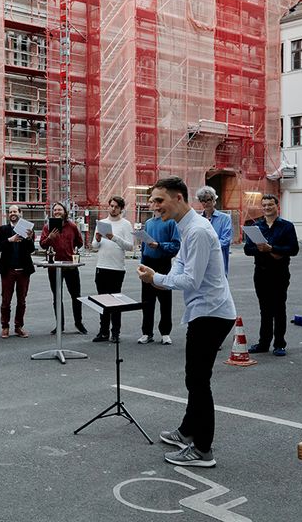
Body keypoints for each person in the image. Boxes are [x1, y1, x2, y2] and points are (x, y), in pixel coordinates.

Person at [138, 176, 236, 467]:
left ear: (178, 198)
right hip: (204, 311)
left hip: (212, 313)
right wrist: (161, 278)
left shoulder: (199, 231)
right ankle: (187, 431)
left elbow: (191, 278)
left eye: (159, 200)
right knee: (194, 378)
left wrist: (156, 279)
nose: (154, 206)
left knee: (198, 381)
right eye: (153, 200)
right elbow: (180, 263)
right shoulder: (188, 227)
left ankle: (203, 449)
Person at [243, 194, 299, 357]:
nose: (267, 208)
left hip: (279, 273)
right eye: (264, 205)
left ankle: (280, 344)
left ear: (277, 206)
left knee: (279, 308)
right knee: (264, 309)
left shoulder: (287, 226)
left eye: (270, 205)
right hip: (261, 272)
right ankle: (263, 342)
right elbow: (247, 249)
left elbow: (293, 249)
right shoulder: (257, 226)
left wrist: (272, 248)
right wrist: (261, 249)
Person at [91, 196, 134, 342]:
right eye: (111, 206)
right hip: (102, 266)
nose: (113, 209)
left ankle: (115, 332)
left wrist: (113, 237)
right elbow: (94, 246)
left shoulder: (126, 224)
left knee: (115, 301)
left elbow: (129, 246)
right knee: (102, 300)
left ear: (121, 209)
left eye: (116, 207)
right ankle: (103, 332)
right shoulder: (101, 223)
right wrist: (97, 240)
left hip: (116, 268)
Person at [39, 203, 86, 335]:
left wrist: (72, 250)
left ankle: (79, 323)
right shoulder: (48, 227)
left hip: (70, 265)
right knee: (57, 297)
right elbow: (42, 245)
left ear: (65, 211)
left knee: (76, 295)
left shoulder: (72, 226)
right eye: (55, 210)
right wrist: (50, 238)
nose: (57, 212)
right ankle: (60, 325)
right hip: (54, 267)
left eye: (59, 209)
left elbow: (80, 242)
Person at [138, 210, 180, 345]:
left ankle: (165, 333)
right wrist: (142, 263)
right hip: (148, 261)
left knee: (165, 300)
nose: (155, 205)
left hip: (163, 262)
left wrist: (159, 245)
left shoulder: (170, 222)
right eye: (152, 201)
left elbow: (175, 245)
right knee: (146, 300)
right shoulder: (149, 223)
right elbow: (144, 245)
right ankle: (146, 332)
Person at [0, 205, 35, 338]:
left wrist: (29, 238)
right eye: (10, 211)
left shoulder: (27, 230)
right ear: (8, 214)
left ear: (20, 213)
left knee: (22, 300)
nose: (13, 213)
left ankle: (19, 326)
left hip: (24, 270)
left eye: (15, 211)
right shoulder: (3, 229)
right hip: (8, 270)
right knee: (6, 300)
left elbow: (31, 249)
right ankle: (5, 326)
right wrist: (9, 240)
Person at [196, 186, 232, 275]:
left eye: (208, 199)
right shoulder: (198, 219)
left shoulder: (225, 218)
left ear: (214, 200)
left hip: (218, 260)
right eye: (202, 200)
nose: (205, 203)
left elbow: (226, 240)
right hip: (202, 262)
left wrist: (208, 248)